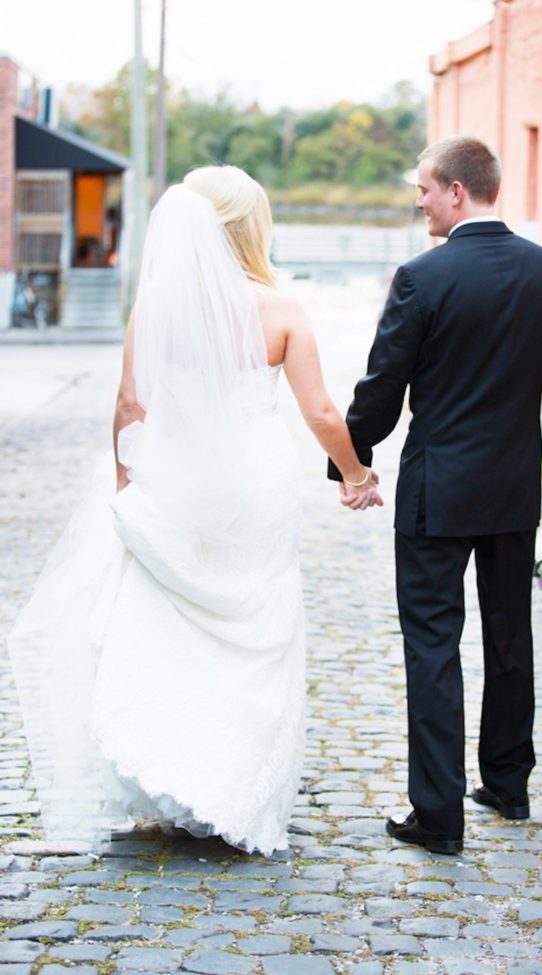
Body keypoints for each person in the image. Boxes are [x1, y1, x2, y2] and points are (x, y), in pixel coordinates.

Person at [9, 165, 381, 855]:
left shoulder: (154, 309)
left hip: (177, 483)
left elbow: (128, 405)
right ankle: (235, 784)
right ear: (250, 228)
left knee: (174, 624)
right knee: (257, 626)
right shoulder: (282, 310)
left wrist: (128, 488)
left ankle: (176, 770)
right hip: (253, 490)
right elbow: (322, 411)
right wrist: (355, 473)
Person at [329, 136, 542, 855]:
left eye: (424, 187)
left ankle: (439, 815)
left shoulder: (422, 276)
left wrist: (349, 461)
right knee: (511, 636)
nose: (417, 199)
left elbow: (383, 386)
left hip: (436, 494)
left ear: (457, 191)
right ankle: (508, 785)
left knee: (433, 645)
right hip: (513, 490)